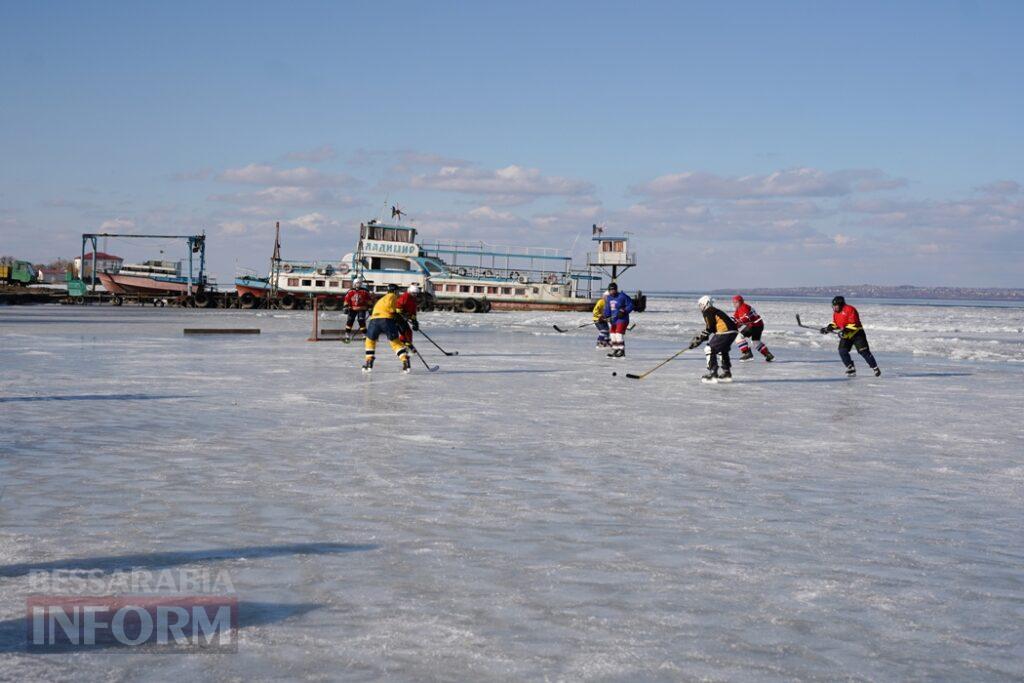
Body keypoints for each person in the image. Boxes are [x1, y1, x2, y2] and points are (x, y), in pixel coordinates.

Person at [821, 296, 881, 377]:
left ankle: (875, 367)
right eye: (833, 306)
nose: (834, 308)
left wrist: (844, 331)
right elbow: (836, 324)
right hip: (846, 335)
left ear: (841, 304)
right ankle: (850, 367)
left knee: (864, 352)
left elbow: (854, 324)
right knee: (842, 351)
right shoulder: (836, 313)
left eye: (836, 306)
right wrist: (827, 328)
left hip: (857, 334)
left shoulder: (850, 309)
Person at [363, 283, 411, 373]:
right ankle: (405, 361)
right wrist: (402, 319)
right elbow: (392, 310)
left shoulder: (382, 298)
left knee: (370, 341)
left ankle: (369, 361)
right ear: (395, 291)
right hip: (386, 320)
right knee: (395, 342)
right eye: (398, 291)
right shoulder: (392, 296)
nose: (398, 294)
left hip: (374, 321)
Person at [689, 295, 738, 382]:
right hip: (733, 332)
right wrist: (703, 337)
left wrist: (699, 339)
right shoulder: (715, 310)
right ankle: (726, 373)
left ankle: (713, 373)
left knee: (709, 349)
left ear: (706, 303)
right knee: (723, 350)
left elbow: (710, 327)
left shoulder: (708, 311)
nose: (700, 307)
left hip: (725, 332)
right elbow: (713, 328)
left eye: (701, 305)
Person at [732, 295, 774, 362]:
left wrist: (738, 323)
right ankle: (768, 355)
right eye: (733, 302)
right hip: (759, 325)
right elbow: (735, 318)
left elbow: (747, 318)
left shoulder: (743, 307)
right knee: (755, 342)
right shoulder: (739, 308)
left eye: (736, 302)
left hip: (754, 325)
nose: (734, 304)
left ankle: (747, 353)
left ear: (741, 302)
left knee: (738, 337)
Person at [602, 282, 634, 357]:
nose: (612, 292)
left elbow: (631, 305)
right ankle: (616, 350)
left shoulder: (622, 296)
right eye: (610, 290)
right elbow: (608, 309)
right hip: (614, 320)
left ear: (616, 290)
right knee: (612, 334)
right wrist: (605, 316)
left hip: (622, 319)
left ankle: (621, 350)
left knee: (618, 333)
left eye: (613, 290)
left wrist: (624, 311)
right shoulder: (609, 298)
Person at [342, 277, 373, 342]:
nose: (358, 284)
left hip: (362, 308)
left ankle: (364, 334)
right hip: (352, 308)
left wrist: (370, 307)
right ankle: (347, 334)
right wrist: (345, 306)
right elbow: (346, 300)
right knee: (350, 320)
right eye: (357, 283)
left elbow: (368, 300)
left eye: (359, 283)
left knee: (361, 321)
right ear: (354, 284)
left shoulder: (364, 291)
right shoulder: (350, 291)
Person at [395, 283, 421, 352]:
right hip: (398, 318)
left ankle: (407, 345)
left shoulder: (413, 299)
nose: (414, 295)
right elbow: (398, 307)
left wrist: (414, 321)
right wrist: (403, 314)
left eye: (416, 293)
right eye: (413, 293)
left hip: (404, 318)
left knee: (408, 332)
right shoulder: (405, 297)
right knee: (404, 332)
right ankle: (404, 346)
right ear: (409, 291)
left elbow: (413, 311)